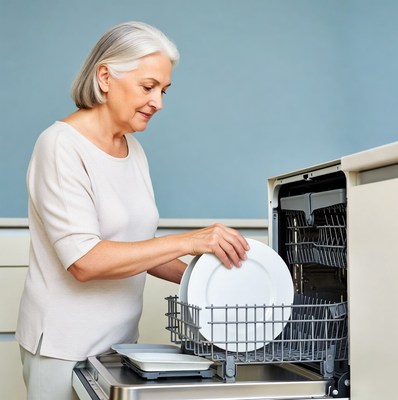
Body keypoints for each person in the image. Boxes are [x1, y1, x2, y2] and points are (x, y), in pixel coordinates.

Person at [16, 21, 249, 400]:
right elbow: (85, 261)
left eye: (164, 90)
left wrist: (211, 283)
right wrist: (190, 240)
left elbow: (137, 249)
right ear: (105, 77)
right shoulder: (60, 146)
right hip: (63, 350)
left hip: (121, 348)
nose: (159, 102)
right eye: (148, 87)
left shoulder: (132, 149)